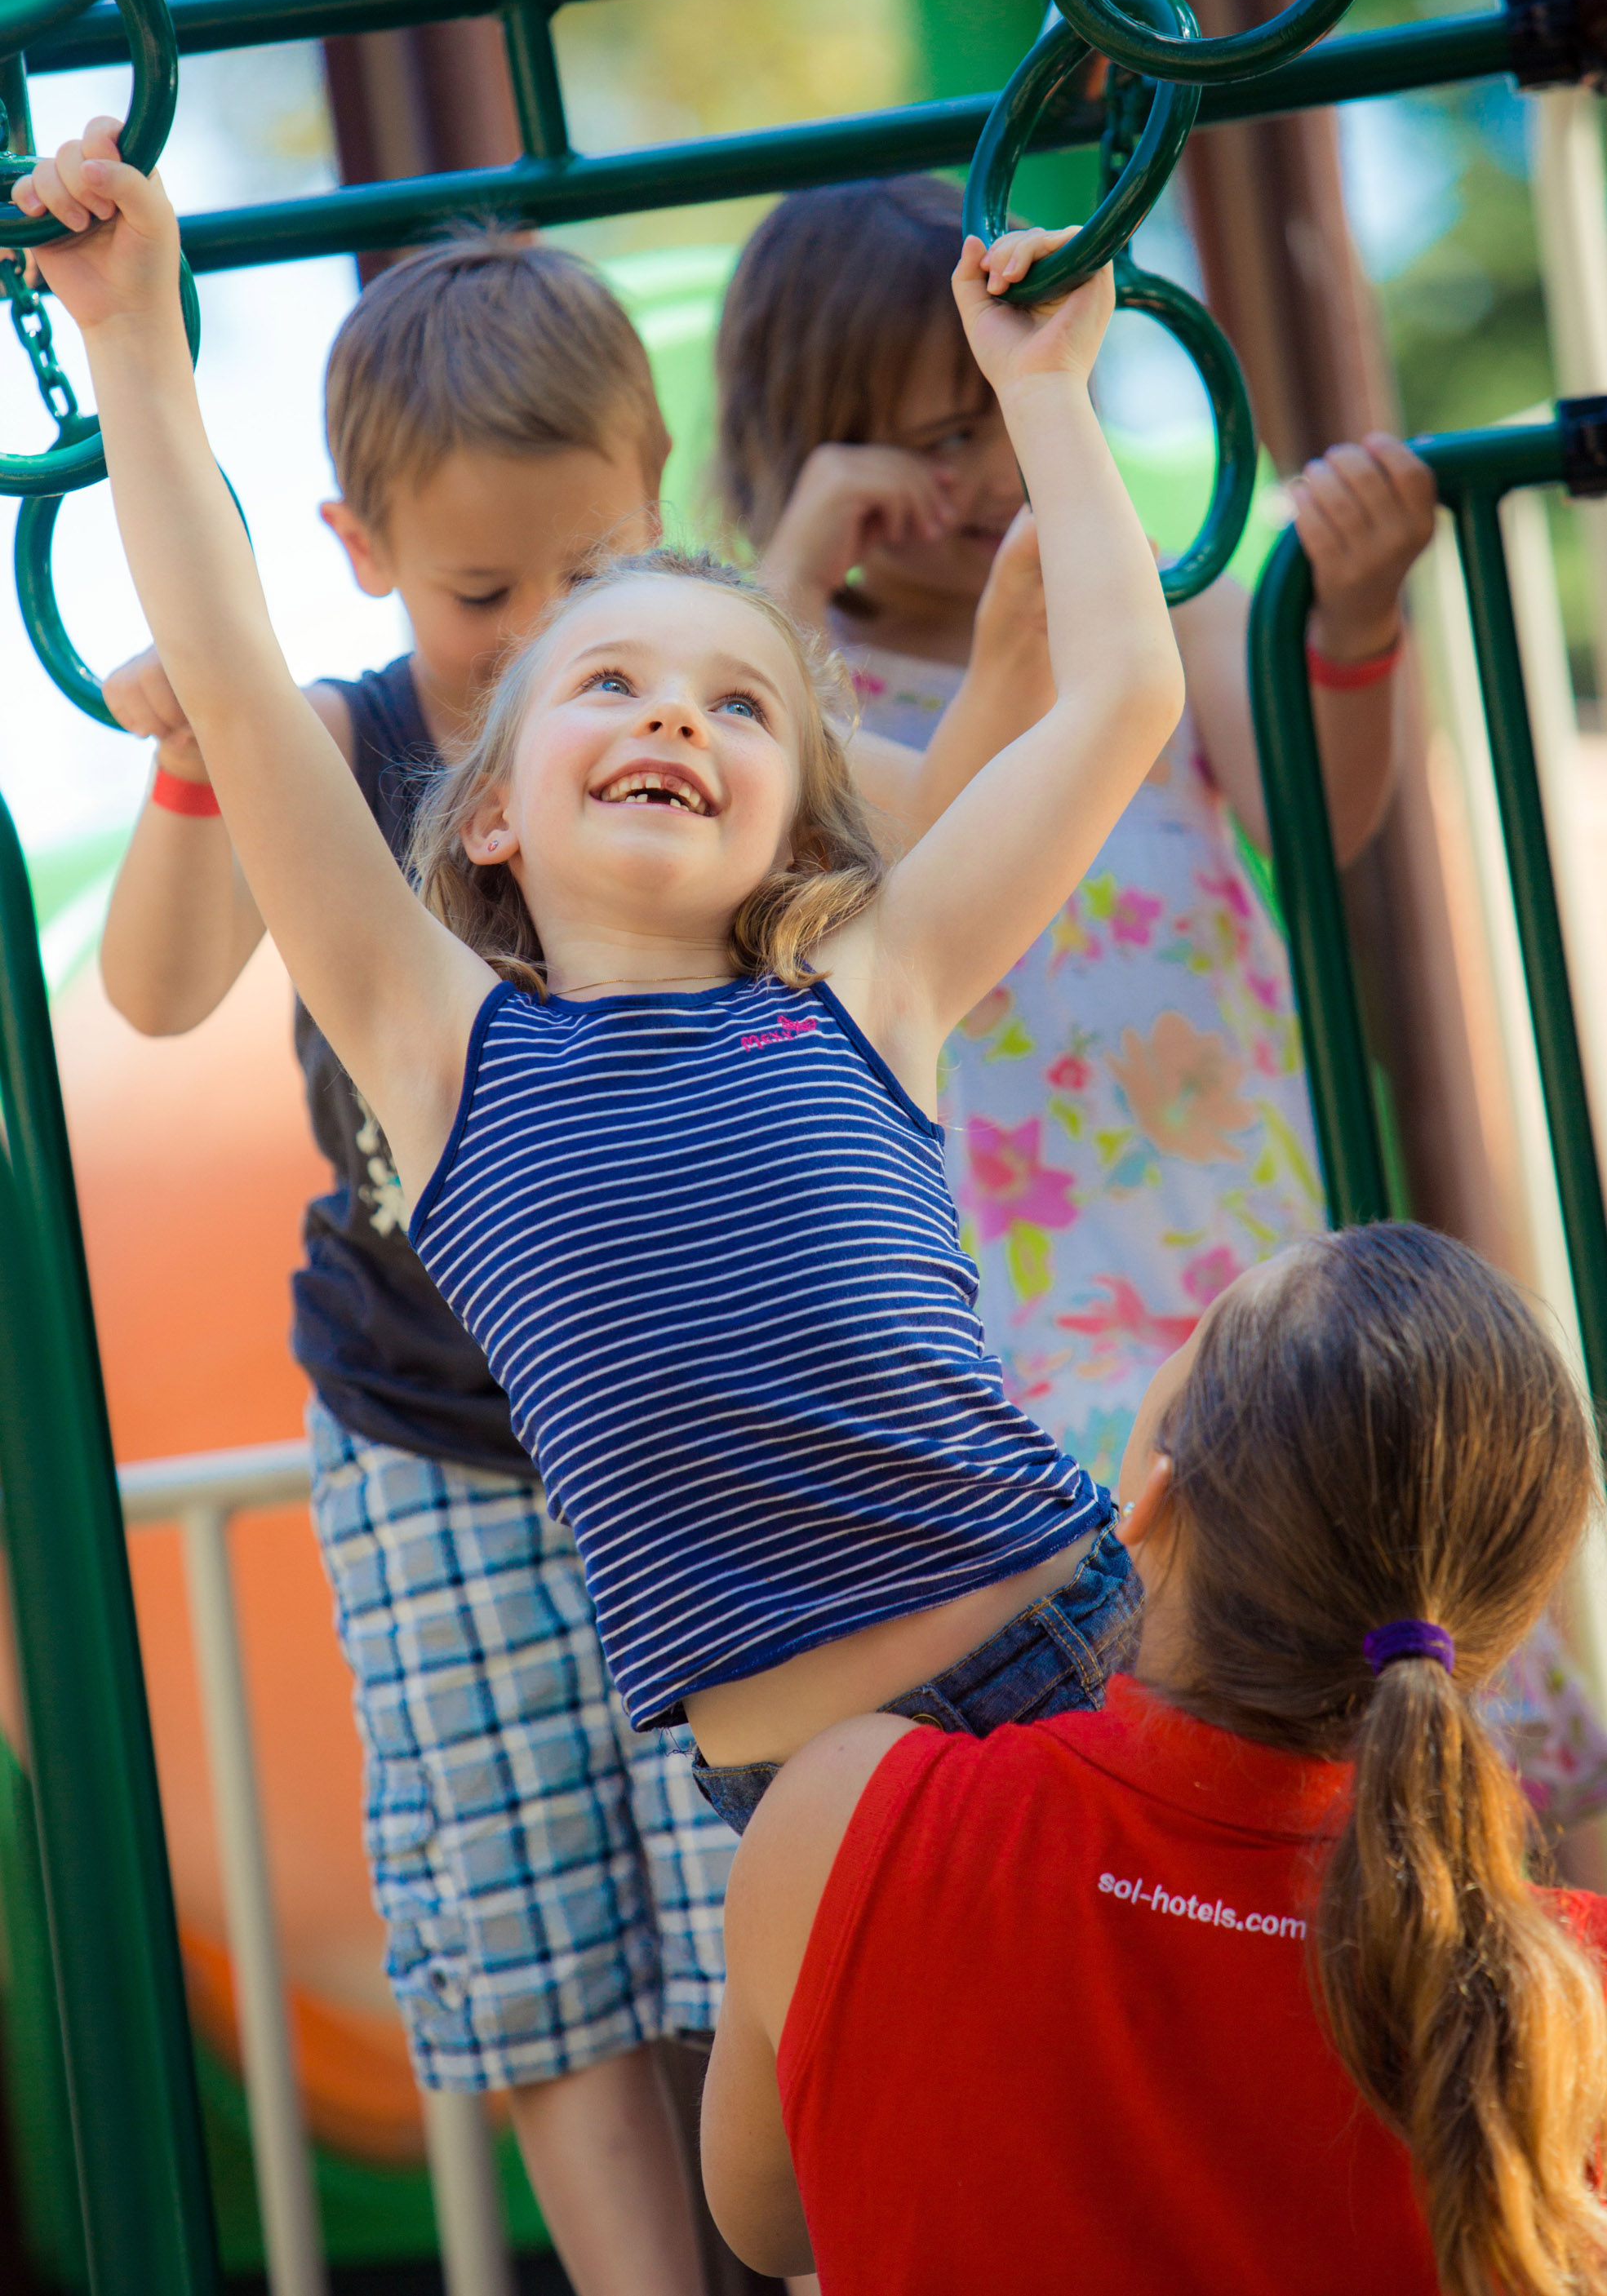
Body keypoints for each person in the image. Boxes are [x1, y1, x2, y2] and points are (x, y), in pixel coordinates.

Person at [21, 118, 1183, 1844]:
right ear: (481, 806)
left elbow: (1118, 704)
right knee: (819, 2134)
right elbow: (239, 681)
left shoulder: (873, 987)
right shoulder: (439, 1047)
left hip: (1065, 1656)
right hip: (809, 1802)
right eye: (610, 678)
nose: (670, 712)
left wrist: (1049, 394)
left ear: (799, 807)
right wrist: (130, 328)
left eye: (736, 705)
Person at [95, 233, 740, 2296]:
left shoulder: (702, 722)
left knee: (762, 1884)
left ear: (662, 502)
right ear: (359, 552)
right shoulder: (354, 749)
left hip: (688, 1413)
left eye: (599, 570)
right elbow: (164, 985)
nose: (557, 634)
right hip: (427, 1422)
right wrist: (205, 755)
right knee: (542, 1924)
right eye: (487, 598)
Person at [703, 1221, 1607, 2296]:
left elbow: (761, 2222)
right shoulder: (1569, 2010)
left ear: (1154, 1496)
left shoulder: (849, 1822)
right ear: (1501, 1619)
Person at [717, 174, 1436, 1480]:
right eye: (947, 436)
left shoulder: (1155, 597)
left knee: (1311, 1534)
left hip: (1225, 1206)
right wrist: (791, 573)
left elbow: (1315, 815)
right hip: (1001, 1276)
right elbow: (761, 850)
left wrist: (1357, 620)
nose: (1001, 469)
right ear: (825, 449)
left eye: (1014, 407)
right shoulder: (799, 679)